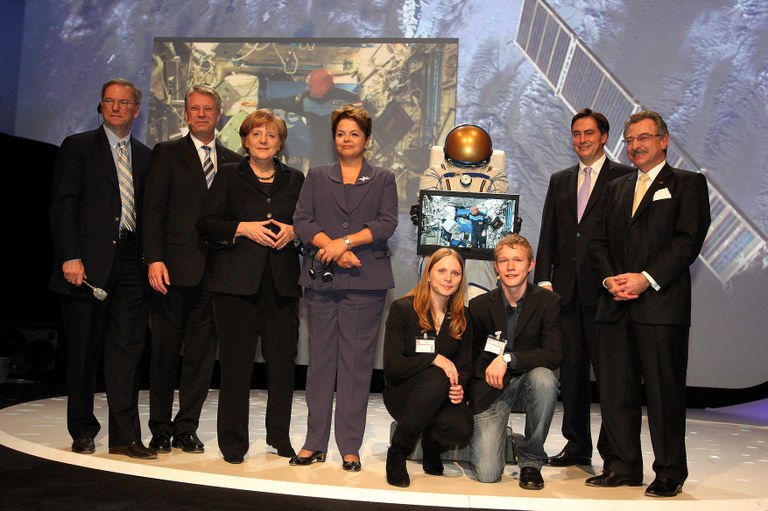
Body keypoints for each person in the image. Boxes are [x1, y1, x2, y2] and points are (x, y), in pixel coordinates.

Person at [586, 110, 711, 498]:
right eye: (630, 139)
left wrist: (646, 279)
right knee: (615, 392)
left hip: (661, 308)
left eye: (643, 138)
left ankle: (670, 472)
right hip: (615, 305)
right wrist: (611, 280)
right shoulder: (615, 187)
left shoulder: (688, 184)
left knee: (663, 394)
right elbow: (596, 241)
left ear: (664, 140)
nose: (635, 145)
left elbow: (687, 242)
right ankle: (622, 466)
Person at [49, 78, 155, 459]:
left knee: (127, 353)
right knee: (82, 353)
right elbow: (63, 206)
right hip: (87, 265)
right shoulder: (78, 147)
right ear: (101, 107)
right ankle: (82, 430)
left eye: (123, 103)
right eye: (109, 101)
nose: (115, 108)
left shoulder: (146, 156)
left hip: (131, 265)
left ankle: (125, 436)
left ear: (136, 110)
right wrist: (70, 255)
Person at [290, 104, 398, 472]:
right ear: (334, 138)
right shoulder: (317, 176)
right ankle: (313, 443)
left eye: (354, 133)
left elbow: (386, 223)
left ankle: (349, 447)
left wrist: (344, 244)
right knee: (320, 363)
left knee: (356, 366)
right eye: (341, 133)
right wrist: (332, 250)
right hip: (322, 279)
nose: (346, 139)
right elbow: (302, 221)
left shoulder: (383, 178)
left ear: (367, 140)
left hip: (366, 284)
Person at [197, 108, 305, 464]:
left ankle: (279, 436)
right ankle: (233, 443)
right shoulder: (229, 176)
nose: (263, 140)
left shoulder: (296, 179)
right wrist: (241, 227)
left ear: (280, 143)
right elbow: (207, 223)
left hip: (282, 286)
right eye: (256, 134)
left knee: (282, 365)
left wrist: (296, 232)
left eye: (270, 135)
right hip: (234, 287)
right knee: (235, 366)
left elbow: (308, 225)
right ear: (244, 141)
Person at [142, 84, 241, 455]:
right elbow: (152, 211)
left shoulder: (233, 161)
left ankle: (186, 428)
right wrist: (154, 259)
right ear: (186, 114)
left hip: (216, 274)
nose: (201, 114)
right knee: (165, 353)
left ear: (219, 115)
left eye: (208, 109)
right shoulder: (167, 153)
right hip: (171, 271)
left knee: (201, 357)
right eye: (194, 109)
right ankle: (160, 428)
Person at [534, 108, 634, 468]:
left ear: (604, 136)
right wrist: (543, 280)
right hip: (565, 295)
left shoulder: (625, 177)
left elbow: (627, 238)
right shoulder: (560, 180)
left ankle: (612, 452)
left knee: (610, 378)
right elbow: (549, 234)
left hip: (606, 293)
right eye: (576, 134)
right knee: (573, 375)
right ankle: (577, 447)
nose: (582, 140)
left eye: (589, 133)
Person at [467, 233, 562, 490]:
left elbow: (553, 354)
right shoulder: (478, 306)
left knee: (545, 378)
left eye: (518, 260)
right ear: (496, 267)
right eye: (504, 261)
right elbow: (470, 356)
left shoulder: (549, 303)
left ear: (530, 265)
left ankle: (531, 460)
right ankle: (504, 440)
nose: (511, 267)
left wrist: (508, 358)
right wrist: (486, 369)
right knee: (487, 473)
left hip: (527, 383)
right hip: (491, 390)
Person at [382, 248, 474, 487]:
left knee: (462, 426)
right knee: (437, 376)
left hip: (440, 397)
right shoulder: (403, 309)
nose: (448, 278)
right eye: (442, 271)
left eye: (455, 273)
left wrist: (460, 387)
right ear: (428, 275)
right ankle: (398, 453)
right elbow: (392, 367)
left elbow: (464, 368)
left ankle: (432, 446)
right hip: (403, 394)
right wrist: (433, 358)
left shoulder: (462, 317)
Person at [419, 124, 509, 300]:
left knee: (480, 276)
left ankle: (476, 313)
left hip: (479, 250)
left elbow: (497, 207)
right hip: (441, 244)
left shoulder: (495, 176)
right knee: (435, 265)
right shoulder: (435, 174)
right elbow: (430, 206)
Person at [263, 68, 370, 168]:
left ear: (323, 86)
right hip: (318, 155)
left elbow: (365, 125)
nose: (307, 88)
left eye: (311, 86)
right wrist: (261, 103)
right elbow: (287, 103)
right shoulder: (306, 98)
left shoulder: (350, 100)